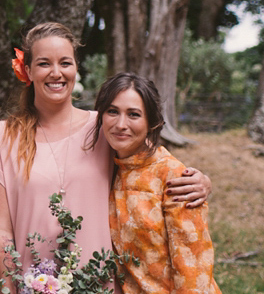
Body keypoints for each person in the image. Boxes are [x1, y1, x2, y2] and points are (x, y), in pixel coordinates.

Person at [0, 22, 211, 292]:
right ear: (27, 70)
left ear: (76, 68)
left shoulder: (106, 127)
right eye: (43, 64)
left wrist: (201, 181)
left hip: (101, 284)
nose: (56, 73)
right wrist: (8, 289)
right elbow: (1, 232)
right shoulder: (1, 137)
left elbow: (155, 166)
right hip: (34, 285)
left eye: (65, 63)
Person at [90, 72, 222, 294]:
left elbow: (193, 270)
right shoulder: (107, 166)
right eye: (113, 111)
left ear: (152, 122)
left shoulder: (174, 178)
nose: (121, 124)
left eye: (133, 114)